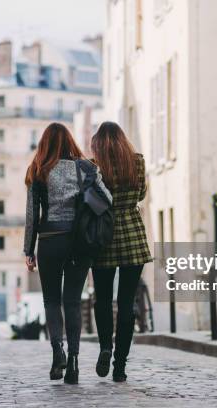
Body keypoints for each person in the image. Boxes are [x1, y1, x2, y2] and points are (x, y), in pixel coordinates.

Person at [24, 122, 112, 385]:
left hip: (50, 240)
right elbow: (106, 198)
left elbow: (32, 215)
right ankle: (73, 363)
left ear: (44, 144)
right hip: (79, 242)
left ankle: (57, 354)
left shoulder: (38, 170)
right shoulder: (86, 167)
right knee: (72, 301)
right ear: (70, 141)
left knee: (51, 301)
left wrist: (29, 250)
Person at [90, 121, 152, 382]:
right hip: (132, 235)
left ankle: (105, 346)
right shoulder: (136, 161)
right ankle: (120, 366)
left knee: (102, 299)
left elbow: (90, 199)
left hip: (103, 234)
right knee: (127, 302)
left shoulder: (94, 166)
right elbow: (141, 194)